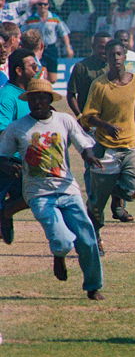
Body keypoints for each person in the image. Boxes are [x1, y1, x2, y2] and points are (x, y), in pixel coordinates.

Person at [0, 78, 105, 300]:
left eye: (42, 98)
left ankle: (93, 286)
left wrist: (90, 156)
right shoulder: (17, 128)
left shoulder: (64, 120)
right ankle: (59, 255)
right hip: (38, 194)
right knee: (63, 241)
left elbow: (83, 144)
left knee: (86, 238)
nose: (37, 102)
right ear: (27, 101)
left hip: (68, 189)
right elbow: (2, 156)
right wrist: (8, 166)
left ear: (50, 100)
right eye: (33, 98)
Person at [79, 39, 135, 252]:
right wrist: (104, 125)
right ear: (107, 58)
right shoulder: (99, 85)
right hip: (105, 146)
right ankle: (96, 239)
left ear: (125, 55)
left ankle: (111, 188)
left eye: (119, 54)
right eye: (112, 55)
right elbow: (88, 117)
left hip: (130, 145)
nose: (116, 59)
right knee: (97, 205)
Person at [0, 49, 40, 244]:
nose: (37, 69)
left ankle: (7, 212)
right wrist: (3, 163)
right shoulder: (7, 96)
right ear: (18, 70)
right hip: (10, 161)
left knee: (40, 193)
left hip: (27, 159)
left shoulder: (30, 94)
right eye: (33, 66)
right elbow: (2, 133)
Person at [23, 0, 73, 84]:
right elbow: (23, 32)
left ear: (48, 5)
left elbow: (64, 32)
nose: (43, 6)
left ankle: (47, 89)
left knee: (53, 79)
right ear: (37, 5)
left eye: (45, 4)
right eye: (40, 4)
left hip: (51, 49)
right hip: (38, 49)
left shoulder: (55, 18)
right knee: (43, 75)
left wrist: (68, 47)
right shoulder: (31, 19)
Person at [66, 32, 111, 117]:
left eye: (107, 48)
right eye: (101, 47)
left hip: (109, 119)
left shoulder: (114, 67)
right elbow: (71, 94)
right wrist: (79, 115)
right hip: (88, 120)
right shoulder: (81, 67)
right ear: (93, 47)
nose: (105, 51)